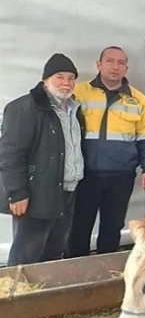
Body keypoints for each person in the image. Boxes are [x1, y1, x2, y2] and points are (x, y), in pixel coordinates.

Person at [67, 46, 145, 257]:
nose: (115, 66)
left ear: (126, 68)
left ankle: (106, 269)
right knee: (78, 227)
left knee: (112, 228)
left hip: (120, 176)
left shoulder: (139, 100)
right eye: (109, 61)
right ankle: (75, 269)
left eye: (120, 63)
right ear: (99, 64)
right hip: (84, 175)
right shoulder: (77, 93)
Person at [0, 53, 84, 266]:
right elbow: (10, 155)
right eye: (60, 77)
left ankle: (47, 287)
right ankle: (17, 288)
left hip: (67, 192)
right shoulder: (23, 108)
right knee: (26, 255)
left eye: (71, 78)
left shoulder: (74, 109)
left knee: (54, 252)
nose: (66, 82)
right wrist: (17, 193)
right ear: (45, 80)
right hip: (35, 195)